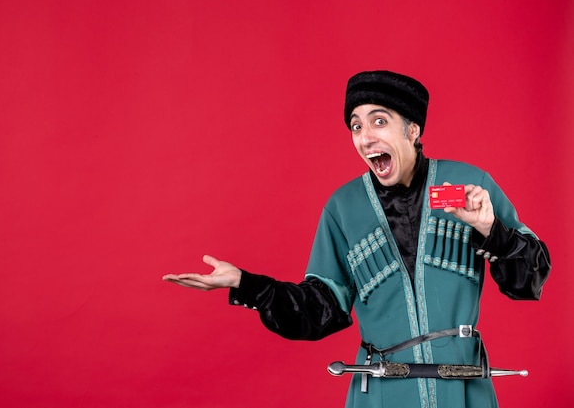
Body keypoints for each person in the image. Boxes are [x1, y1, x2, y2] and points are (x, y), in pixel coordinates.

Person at [163, 70, 551, 408]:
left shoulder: (470, 186)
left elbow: (528, 282)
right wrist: (246, 284)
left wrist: (492, 231)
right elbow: (320, 309)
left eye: (379, 122)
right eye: (356, 125)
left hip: (463, 386)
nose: (365, 137)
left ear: (412, 129)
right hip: (381, 391)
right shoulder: (343, 208)